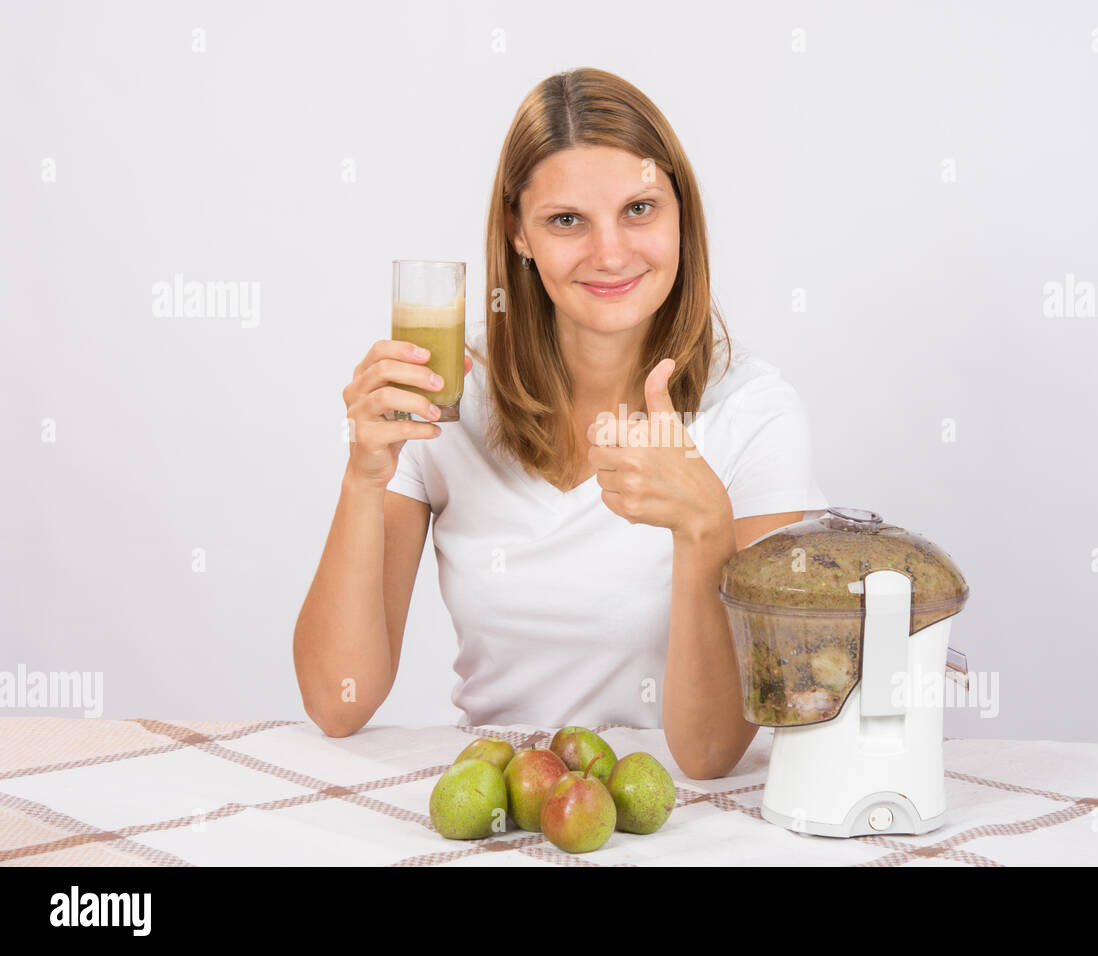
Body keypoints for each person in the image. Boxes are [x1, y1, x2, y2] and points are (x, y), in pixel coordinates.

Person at [293, 68, 828, 779]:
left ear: (681, 215)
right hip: (500, 804)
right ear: (519, 231)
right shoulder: (448, 396)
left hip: (676, 815)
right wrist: (364, 476)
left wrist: (704, 527)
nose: (610, 253)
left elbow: (706, 754)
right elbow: (338, 701)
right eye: (567, 220)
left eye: (639, 209)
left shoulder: (753, 413)